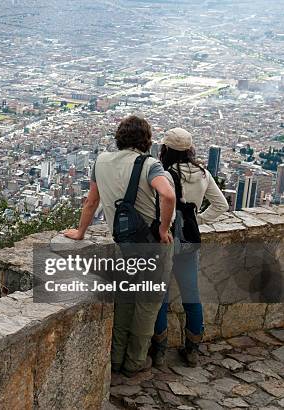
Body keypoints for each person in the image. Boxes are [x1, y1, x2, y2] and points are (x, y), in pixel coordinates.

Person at [64, 115, 176, 377]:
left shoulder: (101, 161)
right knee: (147, 305)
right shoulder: (150, 165)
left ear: (119, 138)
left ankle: (115, 358)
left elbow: (91, 202)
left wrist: (80, 232)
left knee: (125, 302)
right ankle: (135, 361)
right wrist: (163, 229)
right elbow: (168, 194)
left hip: (122, 247)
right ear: (146, 140)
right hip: (151, 248)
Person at [151, 128, 229, 367]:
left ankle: (160, 350)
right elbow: (221, 205)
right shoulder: (203, 173)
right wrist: (196, 219)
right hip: (189, 243)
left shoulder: (164, 173)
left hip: (167, 242)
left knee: (160, 297)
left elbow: (161, 207)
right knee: (191, 296)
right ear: (189, 149)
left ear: (165, 149)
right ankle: (192, 349)